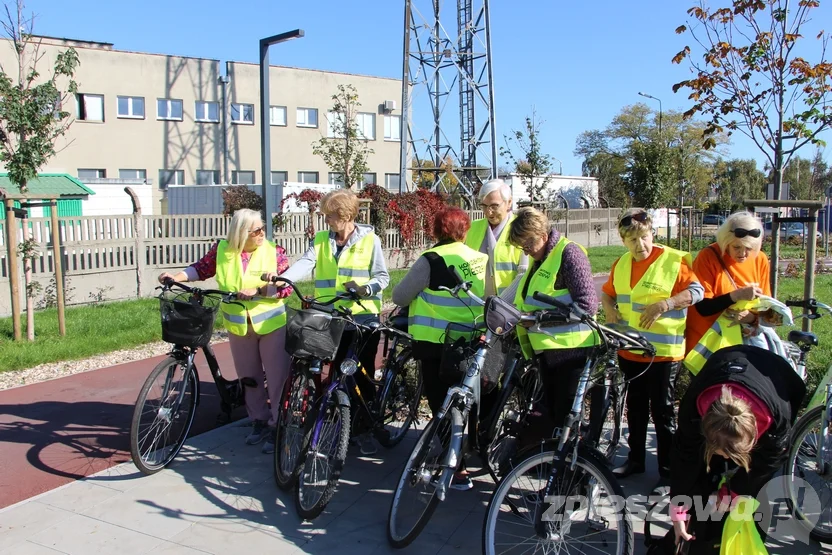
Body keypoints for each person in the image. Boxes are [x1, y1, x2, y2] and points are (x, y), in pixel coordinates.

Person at [158, 208, 292, 454]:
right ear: (242, 233)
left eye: (263, 228)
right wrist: (174, 276)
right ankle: (259, 421)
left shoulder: (275, 253)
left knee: (277, 378)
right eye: (257, 231)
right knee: (249, 378)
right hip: (239, 325)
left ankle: (279, 425)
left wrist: (260, 290)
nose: (262, 234)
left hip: (271, 324)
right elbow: (200, 269)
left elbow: (286, 287)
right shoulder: (222, 250)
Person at [660, 345, 805, 554]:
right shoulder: (692, 410)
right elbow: (684, 457)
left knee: (753, 487)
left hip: (777, 376)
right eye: (722, 452)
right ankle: (704, 535)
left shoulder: (776, 424)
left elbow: (768, 462)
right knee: (701, 475)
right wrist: (679, 510)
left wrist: (737, 490)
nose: (728, 457)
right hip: (722, 364)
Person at [276, 188, 389, 455]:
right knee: (334, 370)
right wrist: (285, 277)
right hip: (330, 316)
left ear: (346, 215)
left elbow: (382, 277)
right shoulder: (321, 241)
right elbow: (306, 262)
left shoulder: (370, 240)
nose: (325, 220)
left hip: (362, 317)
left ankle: (363, 427)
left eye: (329, 216)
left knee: (360, 375)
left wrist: (365, 289)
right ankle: (337, 418)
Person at [601, 208, 703, 485]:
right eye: (632, 240)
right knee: (634, 407)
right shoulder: (621, 264)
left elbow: (697, 292)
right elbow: (608, 292)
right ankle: (635, 460)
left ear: (652, 233)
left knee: (663, 411)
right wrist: (608, 307)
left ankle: (667, 472)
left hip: (663, 354)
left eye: (644, 237)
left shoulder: (672, 260)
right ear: (623, 241)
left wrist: (665, 304)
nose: (640, 245)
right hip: (630, 349)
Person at [392, 206, 488, 490]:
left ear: (435, 231)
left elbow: (400, 295)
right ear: (465, 231)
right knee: (463, 402)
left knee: (440, 404)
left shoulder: (431, 259)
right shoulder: (480, 259)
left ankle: (453, 466)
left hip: (435, 343)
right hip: (469, 341)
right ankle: (463, 455)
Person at [508, 207, 599, 436]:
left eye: (528, 246)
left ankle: (574, 467)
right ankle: (556, 465)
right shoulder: (541, 257)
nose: (526, 252)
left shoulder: (569, 254)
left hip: (572, 352)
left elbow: (587, 306)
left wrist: (538, 319)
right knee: (555, 417)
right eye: (522, 248)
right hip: (549, 351)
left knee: (567, 418)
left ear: (542, 235)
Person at [684, 212, 773, 375]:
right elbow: (703, 307)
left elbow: (766, 306)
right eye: (736, 247)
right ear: (726, 241)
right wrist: (736, 296)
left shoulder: (760, 259)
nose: (743, 254)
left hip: (742, 347)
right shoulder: (708, 256)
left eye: (749, 248)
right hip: (708, 345)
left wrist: (752, 318)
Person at [464, 178, 527, 297]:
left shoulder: (522, 229)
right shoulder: (473, 228)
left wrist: (502, 303)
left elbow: (524, 274)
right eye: (484, 206)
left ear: (509, 203)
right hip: (476, 304)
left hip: (510, 306)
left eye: (494, 206)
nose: (488, 212)